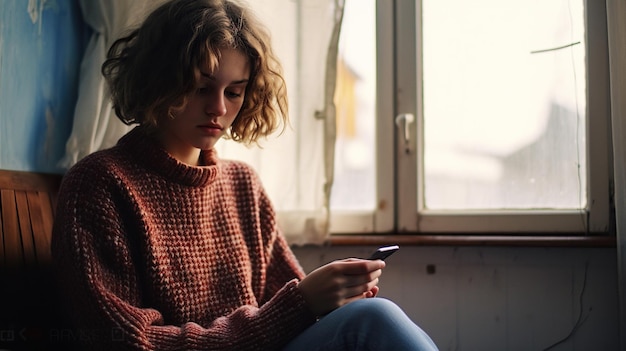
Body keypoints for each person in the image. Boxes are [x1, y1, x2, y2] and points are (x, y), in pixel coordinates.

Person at [51, 0, 439, 350]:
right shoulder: (99, 184)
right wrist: (301, 302)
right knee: (373, 322)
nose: (218, 108)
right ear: (159, 81)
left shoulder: (242, 184)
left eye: (234, 92)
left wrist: (331, 301)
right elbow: (130, 342)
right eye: (202, 87)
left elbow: (286, 310)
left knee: (369, 315)